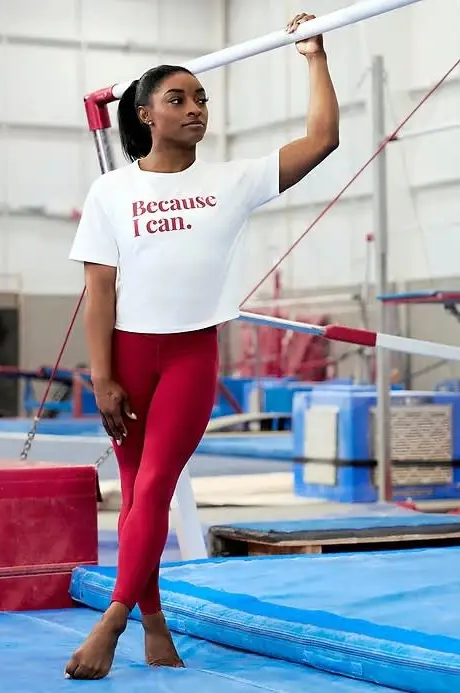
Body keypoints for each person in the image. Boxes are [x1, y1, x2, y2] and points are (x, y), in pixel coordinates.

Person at [65, 12, 339, 680]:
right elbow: (100, 292)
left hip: (189, 354)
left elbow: (324, 139)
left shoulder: (232, 181)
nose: (195, 109)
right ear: (145, 114)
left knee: (155, 482)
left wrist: (313, 55)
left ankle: (114, 618)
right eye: (178, 99)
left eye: (201, 99)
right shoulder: (112, 191)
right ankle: (156, 621)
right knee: (136, 497)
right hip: (128, 356)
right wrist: (101, 377)